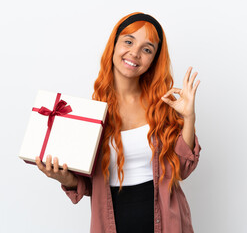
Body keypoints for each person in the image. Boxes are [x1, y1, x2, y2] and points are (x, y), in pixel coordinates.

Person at [35, 12, 201, 233]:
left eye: (147, 49)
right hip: (111, 225)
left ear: (153, 60)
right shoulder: (89, 115)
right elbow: (87, 185)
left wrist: (189, 118)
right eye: (129, 41)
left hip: (167, 225)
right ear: (114, 45)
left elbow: (181, 170)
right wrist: (64, 177)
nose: (135, 53)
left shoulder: (164, 106)